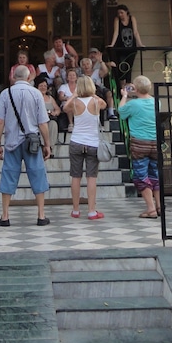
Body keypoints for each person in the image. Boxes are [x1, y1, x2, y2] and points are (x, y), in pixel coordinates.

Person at [0, 65, 52, 227]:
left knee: (8, 176)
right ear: (28, 78)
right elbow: (43, 123)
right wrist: (47, 144)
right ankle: (41, 215)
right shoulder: (36, 94)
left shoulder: (5, 94)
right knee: (38, 175)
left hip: (12, 142)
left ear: (14, 77)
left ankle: (5, 216)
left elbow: (0, 121)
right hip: (32, 143)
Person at [64, 74, 107, 220]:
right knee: (91, 178)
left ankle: (75, 210)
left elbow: (65, 108)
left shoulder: (75, 102)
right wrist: (93, 94)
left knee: (75, 176)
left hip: (76, 141)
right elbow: (105, 104)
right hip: (92, 143)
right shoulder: (96, 101)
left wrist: (74, 95)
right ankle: (91, 211)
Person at [118, 75, 160, 218]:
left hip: (140, 143)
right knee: (155, 174)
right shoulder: (156, 102)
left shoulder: (133, 104)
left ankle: (151, 209)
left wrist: (125, 95)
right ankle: (159, 206)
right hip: (155, 142)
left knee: (141, 176)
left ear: (135, 88)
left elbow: (121, 112)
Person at [107, 4, 144, 89]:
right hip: (121, 47)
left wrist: (140, 44)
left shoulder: (132, 18)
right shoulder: (117, 20)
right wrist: (112, 44)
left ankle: (127, 88)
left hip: (131, 47)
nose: (120, 15)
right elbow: (116, 32)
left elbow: (135, 32)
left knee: (129, 67)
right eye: (119, 13)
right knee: (122, 66)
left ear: (126, 12)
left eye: (122, 13)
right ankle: (122, 87)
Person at [80, 56, 114, 120]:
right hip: (88, 91)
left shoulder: (97, 71)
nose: (86, 66)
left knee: (109, 93)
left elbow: (105, 71)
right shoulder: (81, 76)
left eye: (87, 64)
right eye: (84, 65)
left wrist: (101, 61)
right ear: (82, 66)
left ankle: (111, 112)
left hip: (100, 88)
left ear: (91, 65)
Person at [35, 75, 61, 155]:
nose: (43, 87)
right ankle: (43, 146)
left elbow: (58, 109)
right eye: (41, 86)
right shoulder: (34, 97)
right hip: (38, 120)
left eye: (45, 86)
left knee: (53, 124)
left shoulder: (50, 98)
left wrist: (55, 113)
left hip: (49, 119)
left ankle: (50, 147)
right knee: (43, 125)